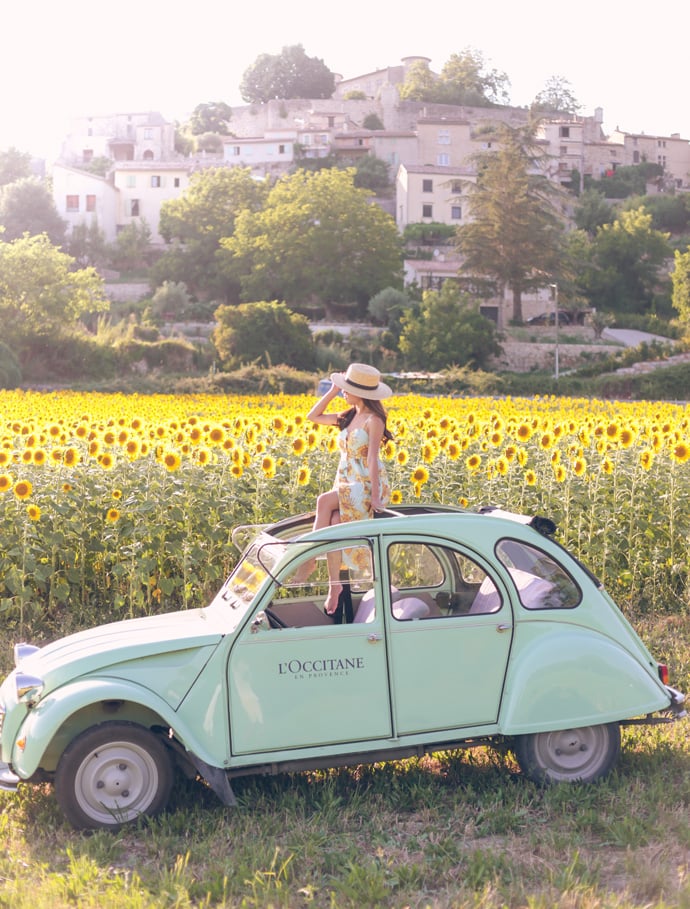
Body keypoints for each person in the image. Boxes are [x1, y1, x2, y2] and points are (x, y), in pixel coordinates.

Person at [301, 363, 393, 614]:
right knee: (333, 521)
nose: (344, 391)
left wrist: (375, 496)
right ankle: (335, 586)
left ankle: (308, 558)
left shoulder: (374, 421)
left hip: (365, 482)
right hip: (345, 479)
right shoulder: (348, 416)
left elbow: (372, 458)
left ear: (363, 392)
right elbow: (313, 416)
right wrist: (331, 391)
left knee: (323, 501)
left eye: (347, 388)